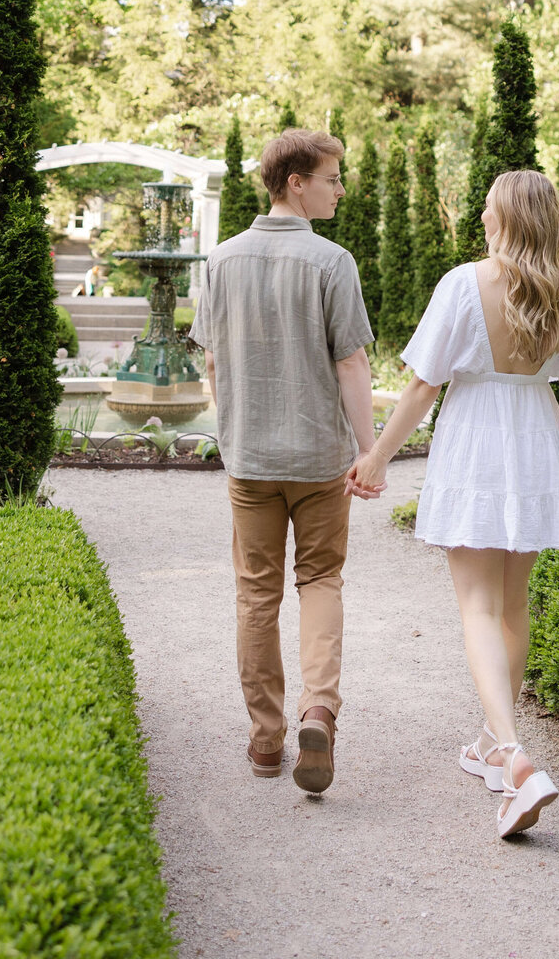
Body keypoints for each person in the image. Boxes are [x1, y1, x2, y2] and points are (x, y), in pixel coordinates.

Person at [346, 170, 559, 839]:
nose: (482, 219)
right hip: (540, 448)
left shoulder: (463, 284)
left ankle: (514, 759)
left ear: (507, 219)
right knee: (514, 606)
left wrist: (375, 459)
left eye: (488, 210)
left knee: (478, 608)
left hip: (479, 447)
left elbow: (423, 387)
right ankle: (492, 740)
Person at [192, 127, 377, 794]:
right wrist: (371, 450)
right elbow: (351, 362)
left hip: (250, 461)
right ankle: (318, 709)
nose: (339, 187)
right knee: (321, 582)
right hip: (320, 460)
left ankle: (267, 740)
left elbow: (211, 359)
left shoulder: (220, 262)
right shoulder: (333, 263)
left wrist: (233, 428)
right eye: (332, 177)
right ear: (295, 183)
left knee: (255, 594)